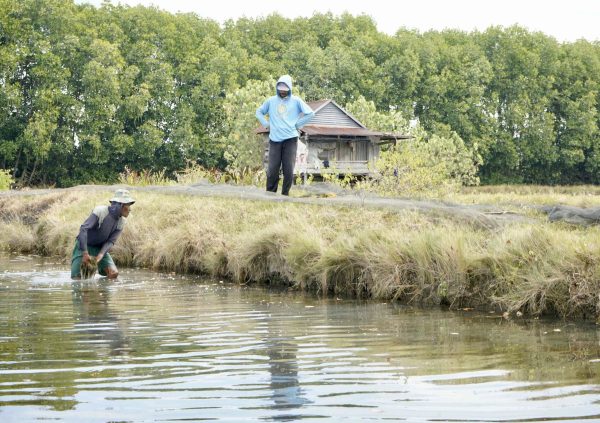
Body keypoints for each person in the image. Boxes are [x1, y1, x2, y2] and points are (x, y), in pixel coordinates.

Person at [256, 75, 314, 195]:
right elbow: (259, 112)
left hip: (290, 139)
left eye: (285, 90)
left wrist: (298, 124)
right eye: (281, 90)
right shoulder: (271, 101)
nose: (282, 92)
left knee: (288, 170)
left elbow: (310, 114)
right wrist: (266, 124)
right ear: (277, 88)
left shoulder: (296, 101)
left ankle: (285, 194)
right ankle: (270, 194)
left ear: (290, 89)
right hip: (275, 140)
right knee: (272, 169)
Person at [71, 188, 135, 279]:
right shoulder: (100, 211)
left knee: (113, 273)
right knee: (78, 278)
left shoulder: (122, 222)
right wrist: (85, 253)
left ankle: (102, 291)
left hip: (100, 248)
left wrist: (100, 255)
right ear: (120, 205)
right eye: (128, 206)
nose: (130, 209)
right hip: (83, 246)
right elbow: (83, 229)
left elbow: (110, 241)